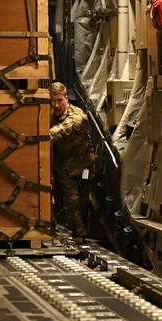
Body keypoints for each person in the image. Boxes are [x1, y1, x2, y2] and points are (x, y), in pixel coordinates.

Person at [49, 81, 95, 238]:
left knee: (83, 202)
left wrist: (48, 134)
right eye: (53, 101)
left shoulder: (77, 114)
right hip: (63, 167)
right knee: (72, 202)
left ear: (66, 99)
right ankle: (79, 235)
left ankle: (71, 221)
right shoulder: (47, 115)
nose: (56, 105)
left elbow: (67, 126)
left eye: (60, 100)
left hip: (83, 165)